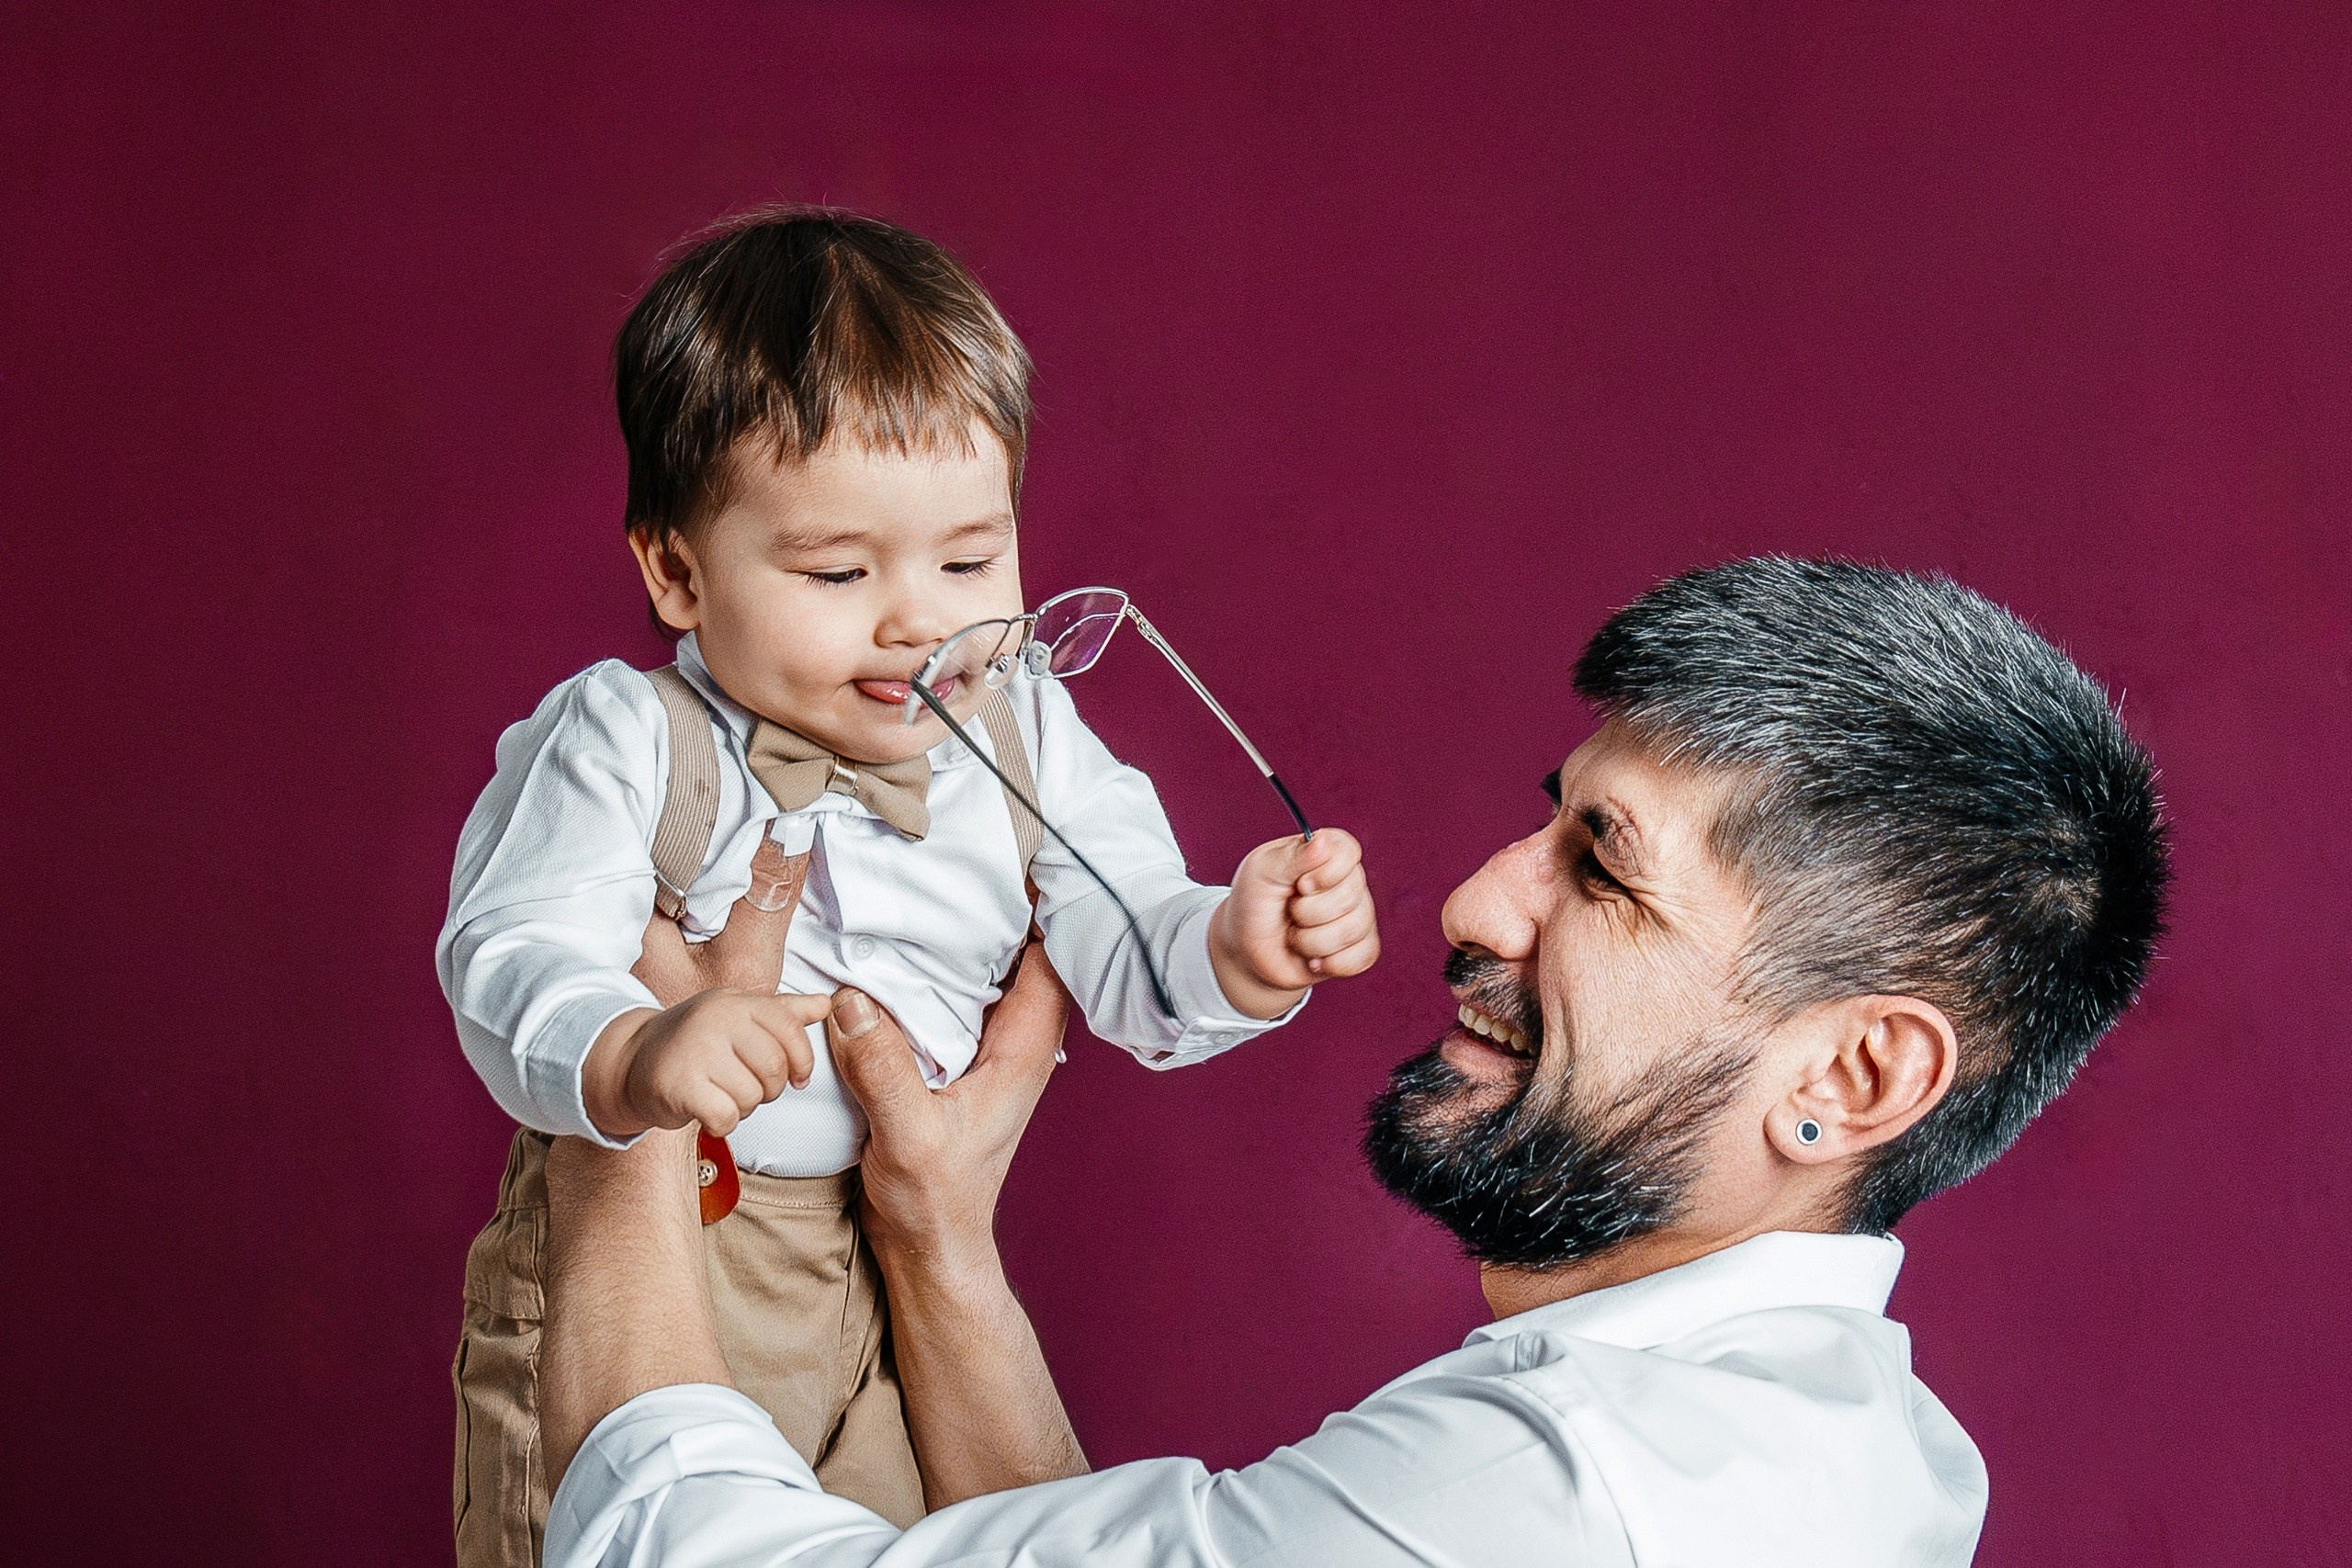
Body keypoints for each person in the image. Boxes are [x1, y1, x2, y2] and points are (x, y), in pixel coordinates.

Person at [531, 558, 2169, 1566]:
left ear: (1861, 1078)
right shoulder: (1863, 1447)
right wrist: (934, 1236)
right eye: (1548, 819)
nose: (1473, 900)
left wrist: (623, 1094)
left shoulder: (1562, 1498)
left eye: (1602, 869)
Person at [436, 209, 1379, 1566]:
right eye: (838, 572)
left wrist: (1234, 943)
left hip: (887, 1259)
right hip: (685, 1240)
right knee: (607, 1532)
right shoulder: (626, 736)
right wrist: (635, 1046)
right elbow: (510, 951)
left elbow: (1124, 942)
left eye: (969, 558)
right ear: (676, 571)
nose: (921, 619)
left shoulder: (1021, 723)